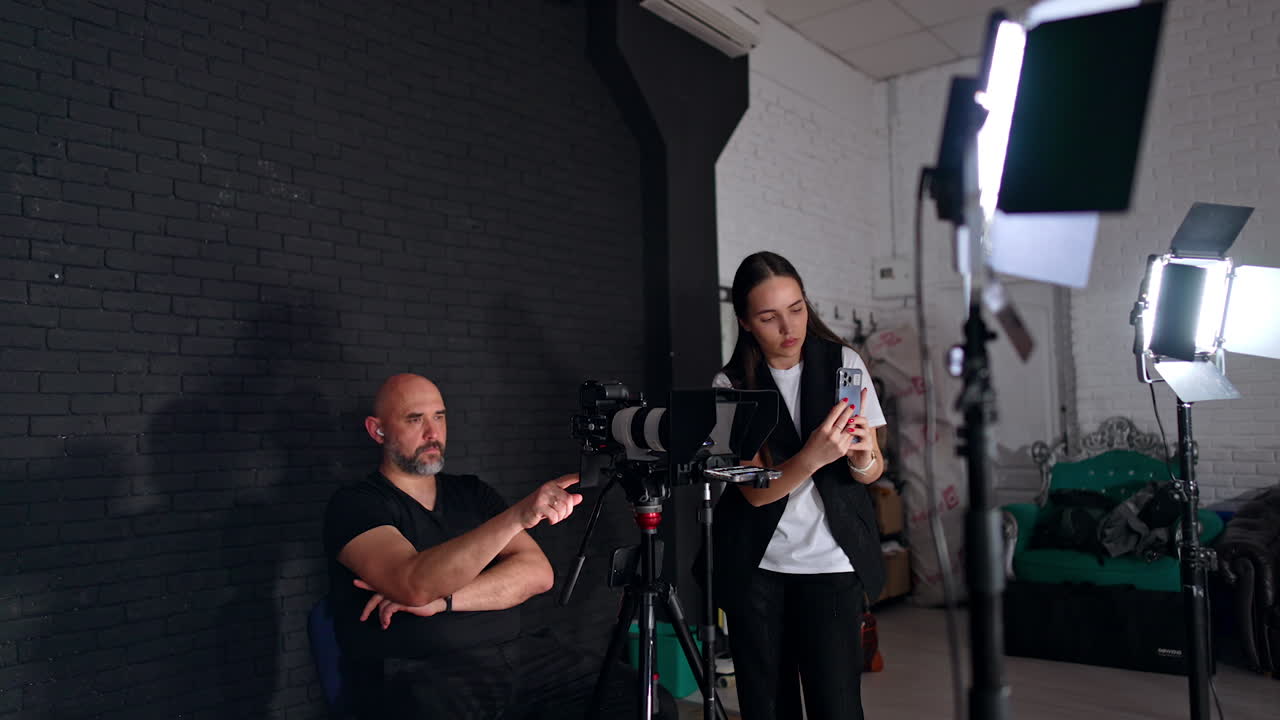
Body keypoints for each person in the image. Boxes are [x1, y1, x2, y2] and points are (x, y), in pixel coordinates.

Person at [323, 373, 667, 719]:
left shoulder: (471, 493)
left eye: (439, 417)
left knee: (644, 698)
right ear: (377, 430)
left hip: (517, 658)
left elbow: (537, 574)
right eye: (415, 419)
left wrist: (444, 601)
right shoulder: (356, 505)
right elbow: (413, 583)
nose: (433, 433)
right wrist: (518, 515)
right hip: (427, 674)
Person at [711, 251, 887, 720]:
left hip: (832, 564)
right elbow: (752, 490)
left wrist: (863, 455)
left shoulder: (843, 363)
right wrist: (811, 457)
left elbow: (872, 472)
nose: (789, 329)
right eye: (769, 317)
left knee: (838, 704)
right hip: (757, 569)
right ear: (746, 323)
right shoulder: (730, 384)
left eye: (797, 309)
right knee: (767, 705)